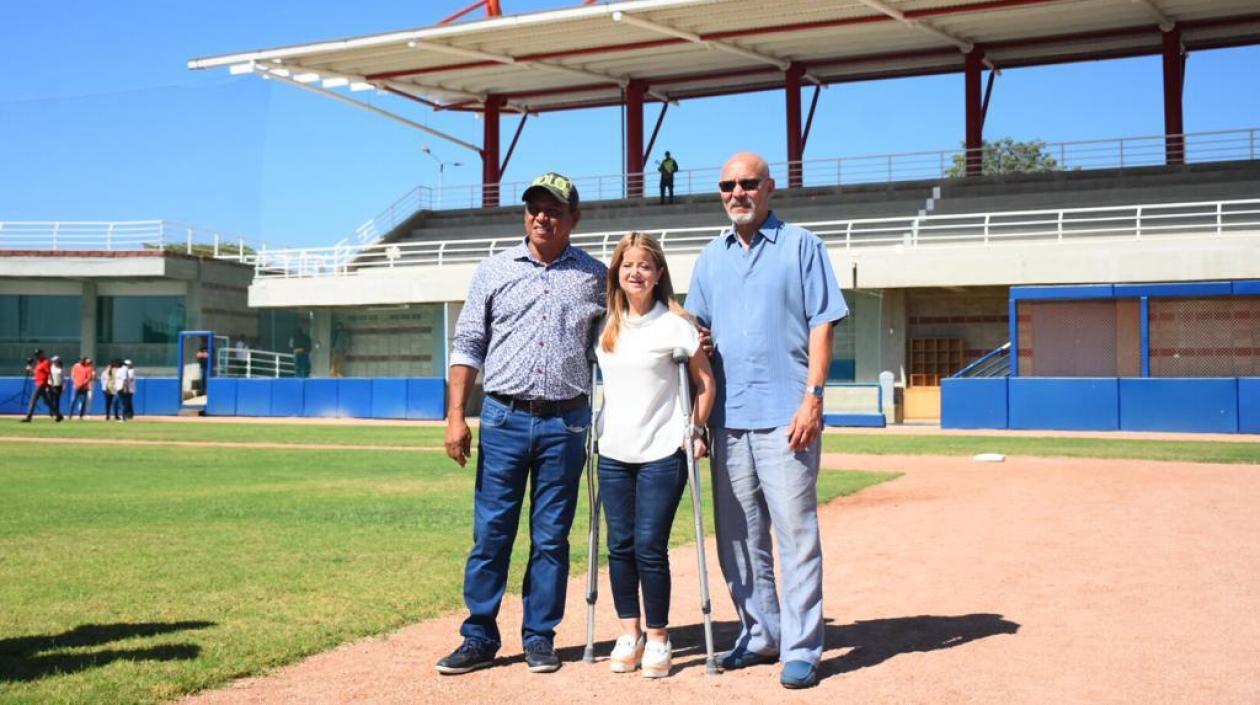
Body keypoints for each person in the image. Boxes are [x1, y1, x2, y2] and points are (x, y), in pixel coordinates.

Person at [685, 152, 848, 689]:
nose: (737, 192)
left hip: (787, 416)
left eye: (748, 183)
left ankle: (802, 647)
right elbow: (697, 336)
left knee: (795, 534)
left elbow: (824, 323)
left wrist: (814, 397)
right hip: (728, 420)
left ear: (769, 187)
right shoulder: (709, 259)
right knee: (739, 537)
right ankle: (760, 634)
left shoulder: (803, 246)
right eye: (728, 184)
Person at [439, 172, 606, 676]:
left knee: (552, 537)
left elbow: (625, 334)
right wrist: (455, 417)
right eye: (535, 207)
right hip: (504, 417)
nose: (542, 216)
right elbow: (468, 344)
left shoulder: (596, 276)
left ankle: (539, 636)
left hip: (566, 423)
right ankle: (479, 636)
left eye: (554, 209)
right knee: (492, 533)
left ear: (574, 219)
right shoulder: (492, 271)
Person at [594, 232, 714, 678]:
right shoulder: (607, 326)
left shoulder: (676, 325)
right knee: (618, 545)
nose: (636, 272)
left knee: (649, 545)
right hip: (614, 451)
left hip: (664, 450)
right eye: (627, 265)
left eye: (644, 265)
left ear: (659, 272)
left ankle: (660, 637)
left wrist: (696, 429)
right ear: (617, 273)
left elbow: (705, 384)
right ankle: (631, 632)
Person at [21, 349, 60, 422]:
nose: (37, 356)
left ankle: (28, 417)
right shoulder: (39, 362)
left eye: (38, 354)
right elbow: (36, 372)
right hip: (38, 383)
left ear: (42, 354)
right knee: (47, 402)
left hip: (41, 384)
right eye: (36, 355)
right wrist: (31, 369)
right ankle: (58, 415)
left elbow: (49, 373)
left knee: (33, 400)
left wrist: (52, 385)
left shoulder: (46, 362)